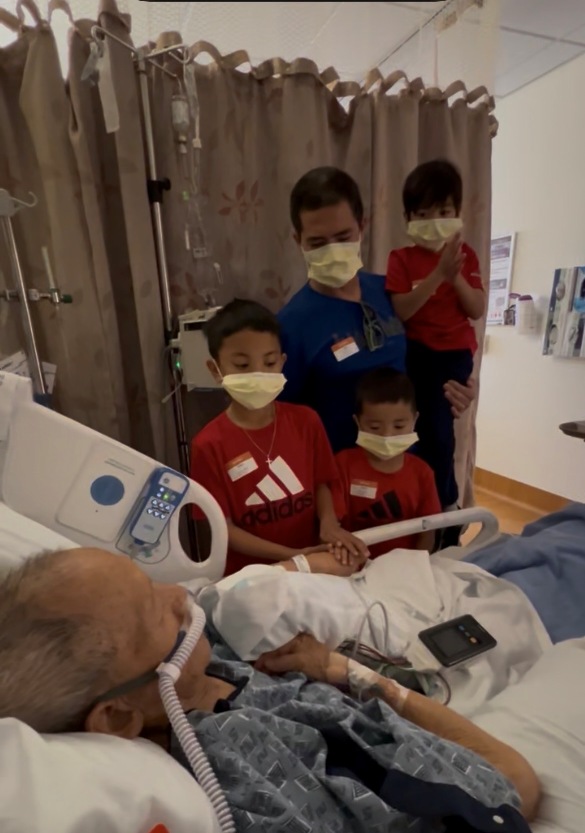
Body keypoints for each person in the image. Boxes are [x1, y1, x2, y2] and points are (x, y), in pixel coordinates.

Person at [0, 548, 540, 832]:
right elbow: (511, 783)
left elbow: (222, 597)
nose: (178, 595)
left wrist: (303, 563)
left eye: (149, 580)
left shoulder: (193, 666)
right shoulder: (247, 774)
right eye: (153, 610)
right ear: (118, 717)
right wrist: (350, 673)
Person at [278, 166, 477, 454]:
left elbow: (432, 350)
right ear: (298, 241)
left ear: (362, 226)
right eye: (318, 243)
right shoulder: (291, 326)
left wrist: (459, 387)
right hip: (342, 473)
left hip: (414, 463)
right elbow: (282, 420)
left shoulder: (391, 294)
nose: (333, 250)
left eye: (343, 237)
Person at [190, 299, 368, 575]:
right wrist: (292, 557)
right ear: (216, 370)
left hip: (312, 567)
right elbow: (223, 528)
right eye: (242, 365)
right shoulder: (209, 445)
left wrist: (329, 524)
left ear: (282, 363)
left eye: (269, 362)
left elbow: (322, 482)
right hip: (252, 575)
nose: (258, 374)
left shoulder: (306, 421)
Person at [385, 160, 486, 528]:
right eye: (423, 214)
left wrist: (454, 276)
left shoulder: (465, 255)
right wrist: (437, 275)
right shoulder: (401, 259)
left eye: (443, 212)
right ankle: (426, 505)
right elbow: (402, 311)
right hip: (416, 353)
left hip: (452, 356)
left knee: (439, 435)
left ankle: (445, 506)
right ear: (408, 218)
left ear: (457, 213)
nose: (434, 221)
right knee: (412, 433)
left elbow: (476, 308)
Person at [333, 367, 440, 557]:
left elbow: (427, 532)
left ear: (414, 420)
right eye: (375, 427)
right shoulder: (343, 464)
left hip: (404, 565)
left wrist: (416, 565)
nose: (387, 435)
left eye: (399, 426)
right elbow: (333, 526)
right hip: (353, 563)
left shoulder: (422, 473)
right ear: (358, 423)